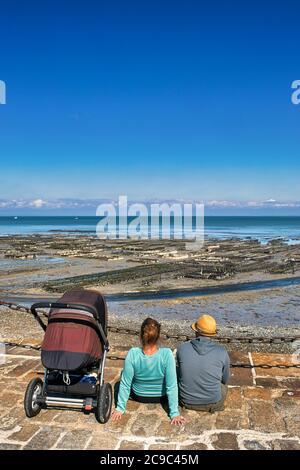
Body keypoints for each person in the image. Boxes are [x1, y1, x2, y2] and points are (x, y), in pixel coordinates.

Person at [112, 317, 186, 425]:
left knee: (124, 375)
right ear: (158, 336)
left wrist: (120, 408)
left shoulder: (133, 353)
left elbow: (125, 384)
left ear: (141, 335)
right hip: (161, 397)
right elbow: (172, 386)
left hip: (139, 396)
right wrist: (174, 413)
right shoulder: (167, 354)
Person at [176, 314, 230, 412]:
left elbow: (180, 374)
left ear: (196, 331)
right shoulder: (222, 351)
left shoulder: (182, 348)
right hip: (213, 403)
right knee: (224, 388)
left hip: (185, 401)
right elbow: (225, 379)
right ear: (212, 334)